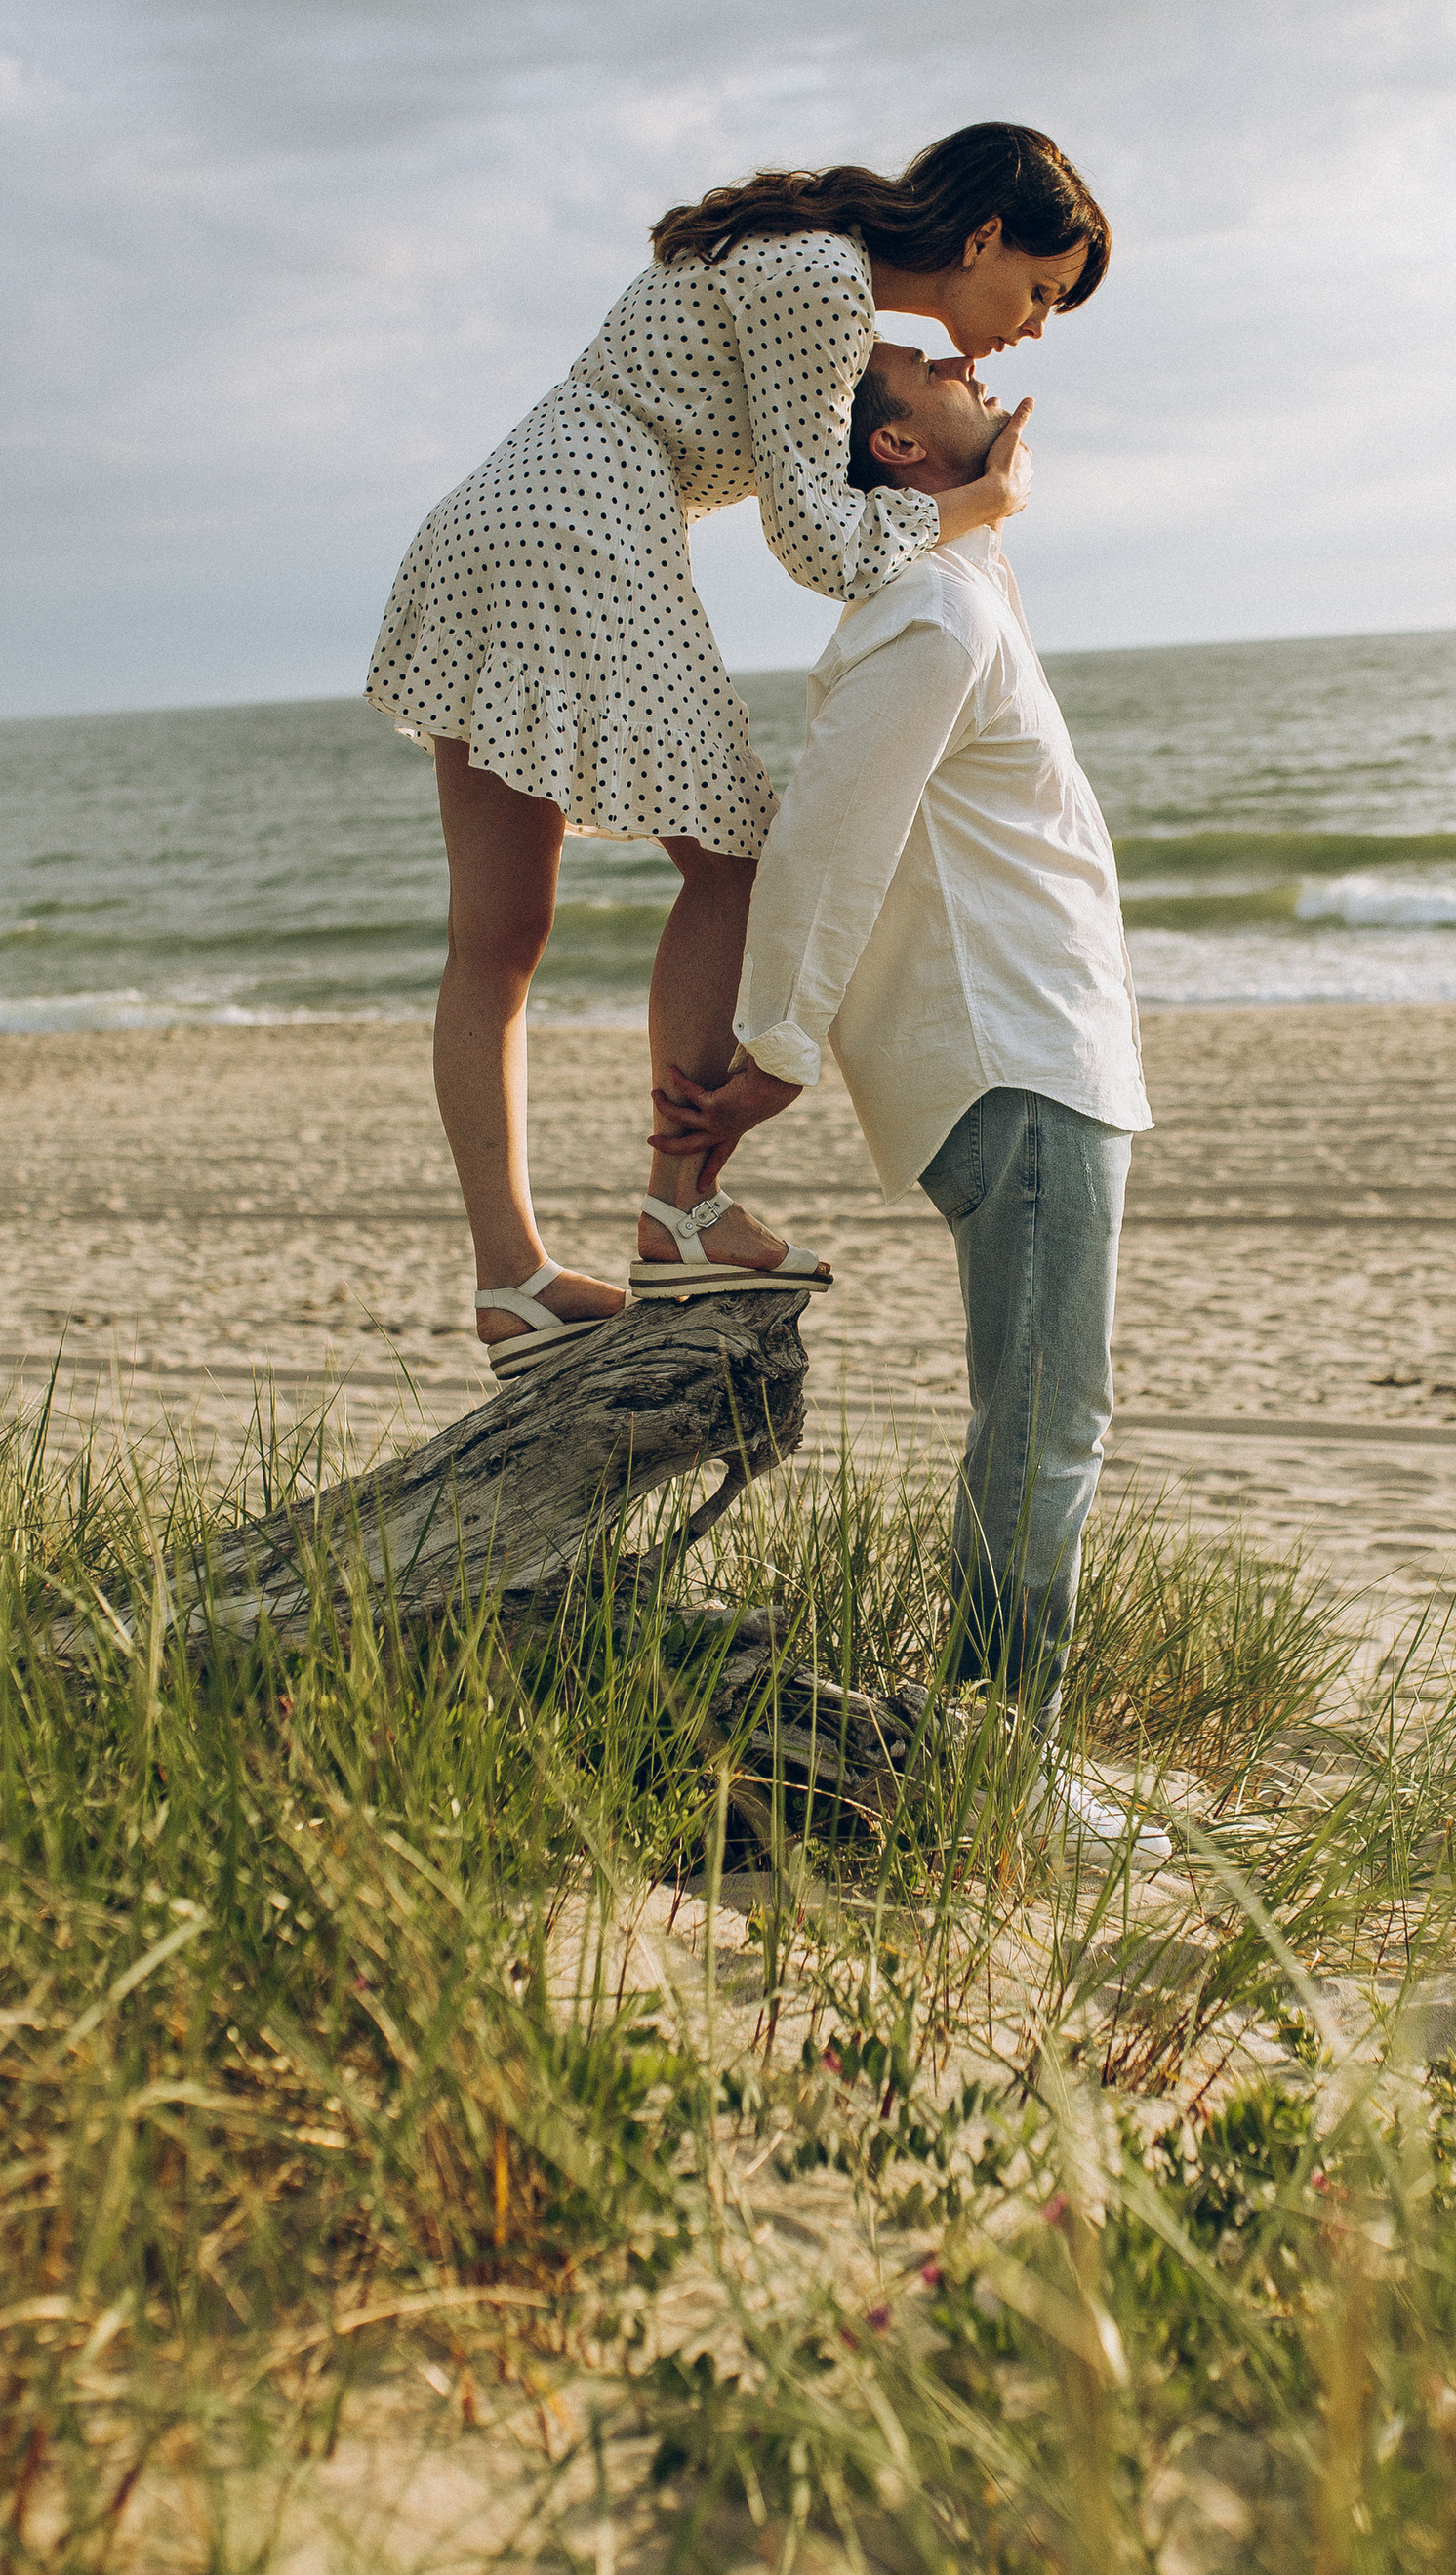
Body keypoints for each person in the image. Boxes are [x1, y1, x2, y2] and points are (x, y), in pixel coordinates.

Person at [364, 124, 1110, 1375]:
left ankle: (512, 1280)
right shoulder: (825, 279)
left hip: (502, 513)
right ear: (982, 237)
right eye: (1039, 289)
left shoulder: (810, 262)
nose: (1035, 326)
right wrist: (980, 502)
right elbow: (818, 546)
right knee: (734, 862)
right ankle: (680, 1209)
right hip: (581, 526)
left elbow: (822, 496)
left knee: (496, 934)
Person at [649, 342, 1166, 1866]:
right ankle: (1006, 1767)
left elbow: (965, 538)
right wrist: (776, 1046)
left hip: (1045, 1052)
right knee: (1045, 1422)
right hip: (1014, 1057)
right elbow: (827, 833)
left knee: (1048, 1415)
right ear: (896, 445)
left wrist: (993, 490)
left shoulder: (959, 581)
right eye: (931, 367)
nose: (969, 358)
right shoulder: (930, 611)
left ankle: (1006, 1743)